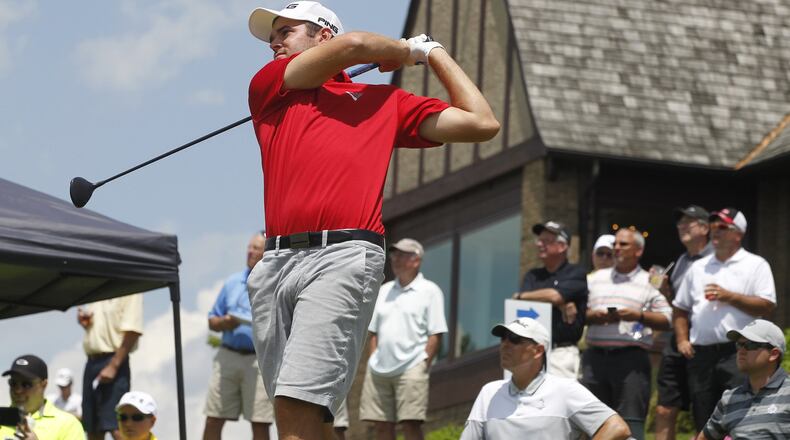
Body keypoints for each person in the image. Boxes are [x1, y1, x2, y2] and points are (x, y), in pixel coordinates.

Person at [245, 1, 499, 439]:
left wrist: (432, 52)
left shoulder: (386, 103)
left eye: (286, 31)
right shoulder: (271, 86)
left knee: (296, 407)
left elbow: (481, 121)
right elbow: (357, 44)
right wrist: (404, 51)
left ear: (321, 35)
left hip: (342, 257)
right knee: (302, 418)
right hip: (273, 267)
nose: (274, 41)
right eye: (273, 34)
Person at [673, 208, 776, 432]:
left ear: (738, 234)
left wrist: (730, 297)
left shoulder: (755, 264)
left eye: (721, 227)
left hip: (739, 352)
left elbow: (767, 306)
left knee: (740, 416)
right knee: (703, 417)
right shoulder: (698, 267)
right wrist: (682, 339)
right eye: (712, 226)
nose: (714, 232)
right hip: (701, 355)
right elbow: (680, 308)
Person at [459, 317, 631, 439]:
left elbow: (616, 428)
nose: (505, 344)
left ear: (538, 350)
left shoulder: (565, 389)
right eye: (503, 338)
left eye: (514, 339)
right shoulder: (489, 392)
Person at [581, 228, 672, 440]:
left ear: (638, 251)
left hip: (631, 361)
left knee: (630, 424)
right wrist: (594, 316)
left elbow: (667, 318)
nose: (616, 248)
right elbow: (576, 314)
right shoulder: (595, 279)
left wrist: (638, 316)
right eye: (615, 244)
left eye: (623, 244)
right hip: (594, 360)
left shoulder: (649, 281)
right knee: (590, 422)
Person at [360, 238, 448, 440]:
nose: (395, 259)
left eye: (402, 255)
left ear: (416, 260)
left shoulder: (430, 291)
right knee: (381, 425)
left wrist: (423, 362)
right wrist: (373, 359)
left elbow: (436, 333)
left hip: (412, 367)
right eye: (394, 255)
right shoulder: (383, 290)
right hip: (378, 370)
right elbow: (372, 332)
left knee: (411, 424)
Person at [203, 232, 273, 440]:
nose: (250, 252)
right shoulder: (232, 283)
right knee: (214, 418)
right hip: (228, 356)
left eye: (256, 248)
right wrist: (225, 322)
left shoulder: (274, 284)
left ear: (266, 253)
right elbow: (212, 321)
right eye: (249, 247)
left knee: (260, 422)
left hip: (259, 360)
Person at [654, 205, 712, 440]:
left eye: (689, 221)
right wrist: (665, 291)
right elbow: (678, 306)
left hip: (702, 343)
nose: (682, 227)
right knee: (665, 407)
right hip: (676, 342)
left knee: (704, 410)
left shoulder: (716, 260)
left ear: (705, 228)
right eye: (680, 223)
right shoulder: (681, 261)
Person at [512, 221, 588, 378]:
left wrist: (557, 299)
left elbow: (555, 296)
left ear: (562, 246)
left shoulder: (576, 273)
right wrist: (560, 302)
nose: (539, 244)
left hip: (561, 354)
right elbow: (520, 302)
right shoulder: (532, 276)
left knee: (561, 402)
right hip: (531, 353)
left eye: (546, 241)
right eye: (539, 240)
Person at [697, 319, 789, 439]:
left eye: (750, 345)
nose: (741, 351)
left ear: (773, 354)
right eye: (739, 345)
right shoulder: (729, 399)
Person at [78, 293, 144, 440]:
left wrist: (114, 365)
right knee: (92, 428)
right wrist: (87, 323)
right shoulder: (101, 287)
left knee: (118, 426)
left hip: (115, 361)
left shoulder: (131, 288)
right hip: (91, 362)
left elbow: (133, 331)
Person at [0, 354, 84, 440]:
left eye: (26, 385)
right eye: (13, 384)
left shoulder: (68, 424)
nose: (18, 390)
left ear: (43, 385)